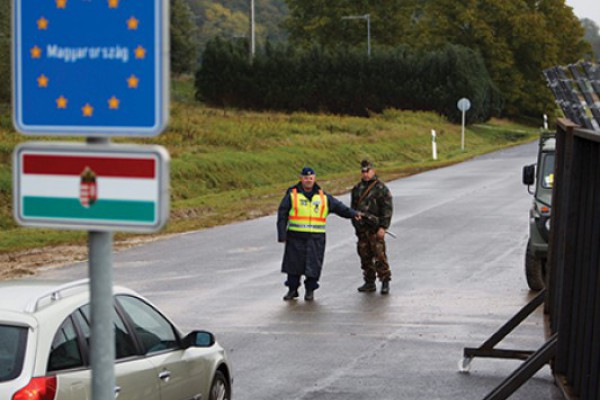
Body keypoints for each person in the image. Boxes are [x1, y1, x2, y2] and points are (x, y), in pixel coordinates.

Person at [277, 166, 360, 301]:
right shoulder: (292, 195)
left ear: (314, 179)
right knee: (293, 266)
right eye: (305, 178)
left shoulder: (323, 196)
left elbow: (339, 207)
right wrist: (282, 234)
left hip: (316, 237)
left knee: (313, 265)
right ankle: (292, 290)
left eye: (310, 178)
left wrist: (353, 214)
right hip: (296, 236)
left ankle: (310, 291)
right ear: (301, 179)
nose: (308, 180)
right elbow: (282, 214)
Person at [351, 159, 393, 295]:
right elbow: (353, 209)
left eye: (368, 171)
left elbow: (387, 209)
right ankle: (369, 282)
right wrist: (356, 225)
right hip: (362, 230)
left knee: (379, 256)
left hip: (375, 229)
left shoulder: (381, 188)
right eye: (363, 171)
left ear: (373, 171)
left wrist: (383, 227)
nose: (366, 174)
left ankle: (385, 281)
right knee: (365, 256)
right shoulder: (357, 189)